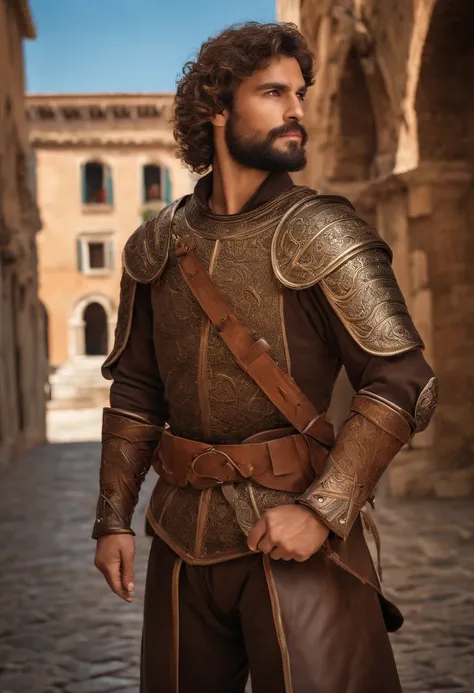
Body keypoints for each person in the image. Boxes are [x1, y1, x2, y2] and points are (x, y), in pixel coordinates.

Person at [93, 22, 437, 693]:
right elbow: (136, 389)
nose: (296, 111)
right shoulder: (154, 246)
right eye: (273, 92)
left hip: (295, 533)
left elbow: (405, 381)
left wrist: (322, 510)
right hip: (180, 539)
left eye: (300, 94)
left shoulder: (326, 232)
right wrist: (113, 520)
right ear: (218, 107)